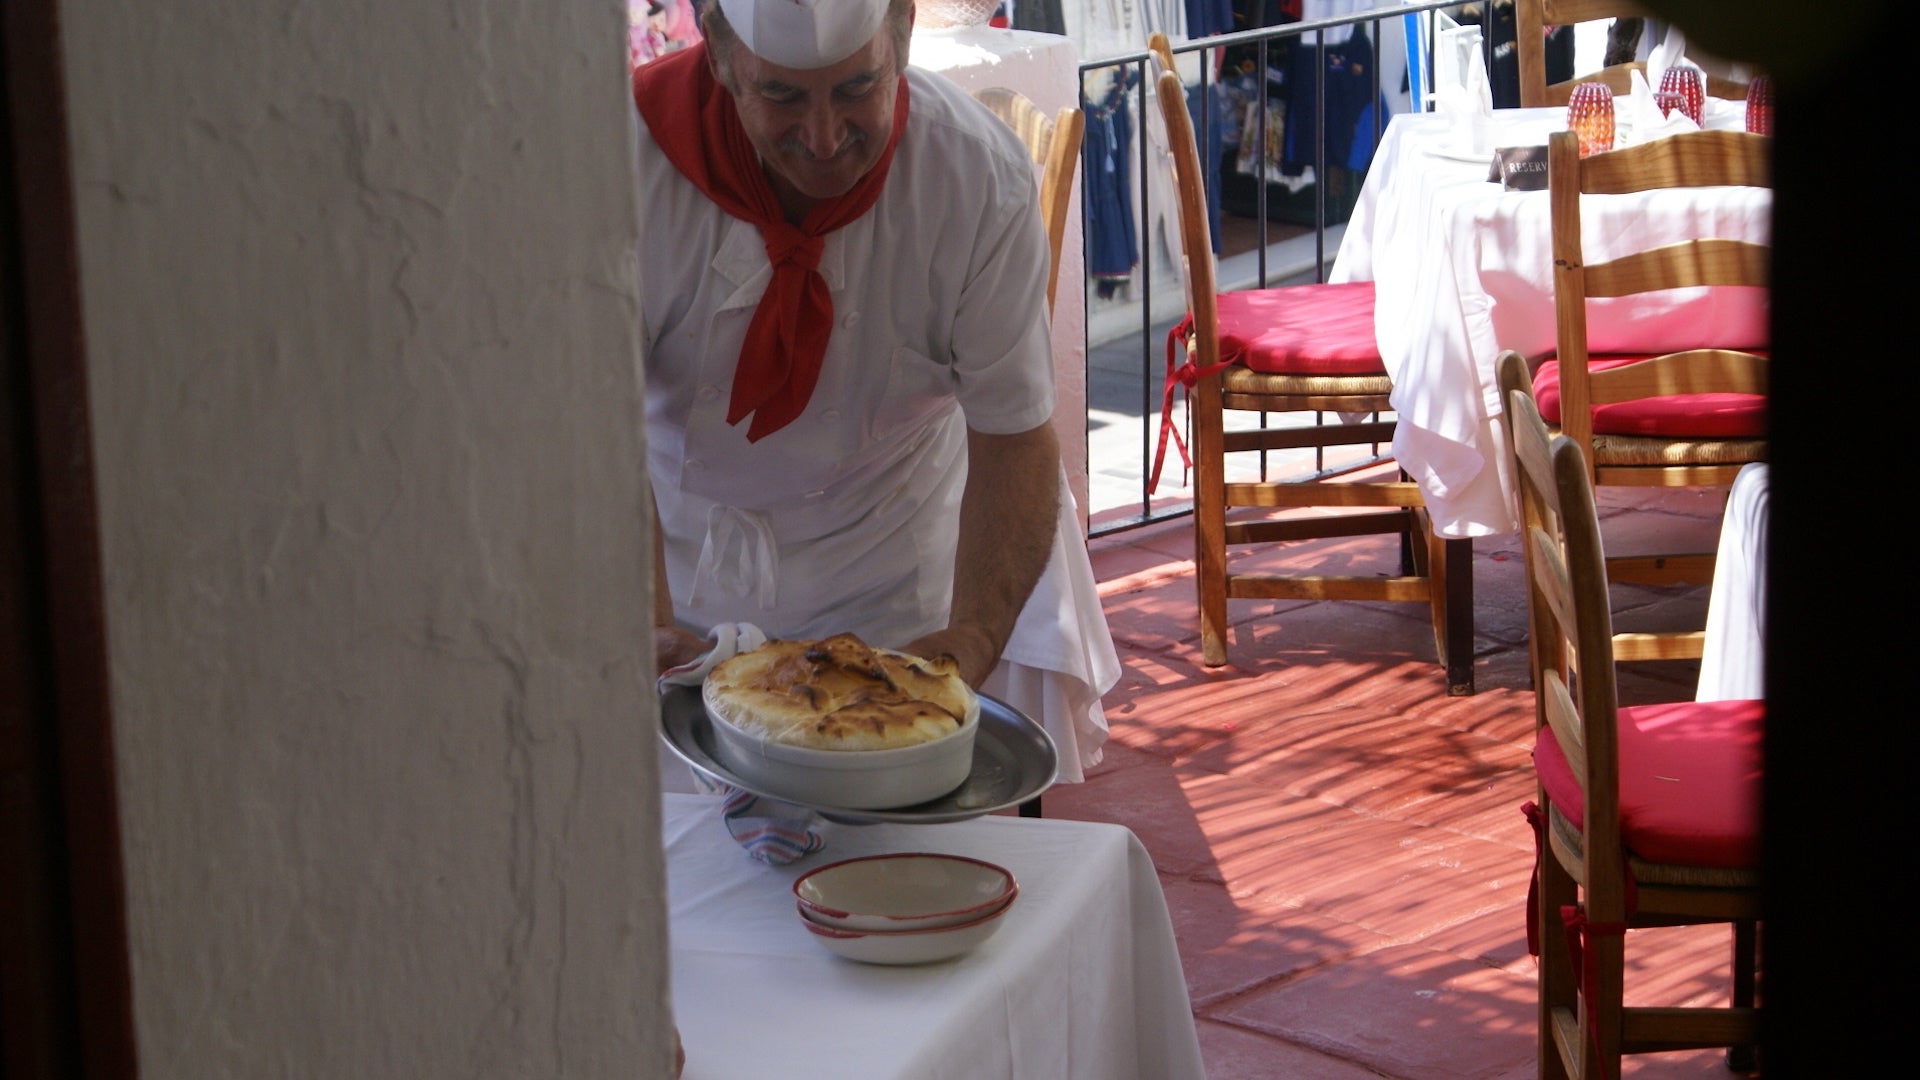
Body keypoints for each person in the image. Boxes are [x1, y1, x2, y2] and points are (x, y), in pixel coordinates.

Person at [633, 0, 1116, 782]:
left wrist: (972, 638)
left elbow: (1014, 434)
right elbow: (588, 436)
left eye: (857, 88)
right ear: (719, 52)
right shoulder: (620, 169)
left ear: (903, 34)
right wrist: (644, 623)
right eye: (782, 95)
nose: (824, 137)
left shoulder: (972, 176)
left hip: (892, 589)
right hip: (675, 579)